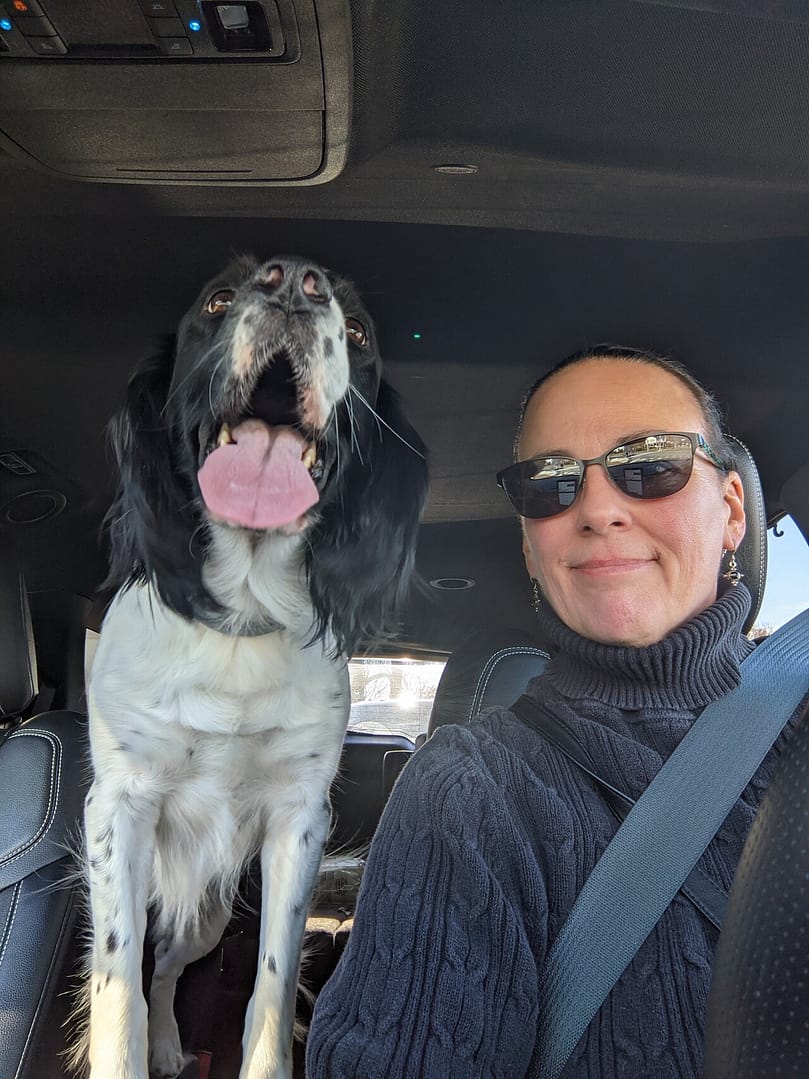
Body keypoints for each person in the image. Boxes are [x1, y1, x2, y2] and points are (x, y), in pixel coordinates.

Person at [306, 346, 805, 1078]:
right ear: (529, 546)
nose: (597, 510)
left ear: (731, 510)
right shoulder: (467, 793)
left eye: (650, 462)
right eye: (551, 483)